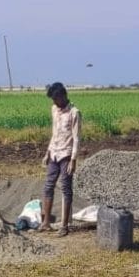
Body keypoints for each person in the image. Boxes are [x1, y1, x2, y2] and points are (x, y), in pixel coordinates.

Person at [39, 82, 82, 236]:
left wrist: (73, 159)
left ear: (63, 96)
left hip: (66, 155)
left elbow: (76, 138)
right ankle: (46, 223)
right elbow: (55, 133)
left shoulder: (74, 113)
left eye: (56, 98)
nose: (54, 102)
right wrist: (47, 152)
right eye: (53, 99)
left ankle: (64, 226)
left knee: (66, 188)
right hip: (54, 153)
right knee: (48, 186)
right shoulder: (54, 110)